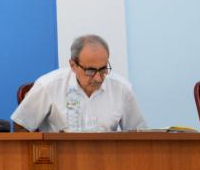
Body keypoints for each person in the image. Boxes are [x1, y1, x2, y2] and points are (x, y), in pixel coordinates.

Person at [11, 34, 147, 132]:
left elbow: (138, 133)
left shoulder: (122, 88)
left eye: (103, 69)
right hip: (59, 160)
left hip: (107, 160)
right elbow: (21, 126)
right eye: (90, 71)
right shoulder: (48, 86)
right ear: (73, 65)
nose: (98, 78)